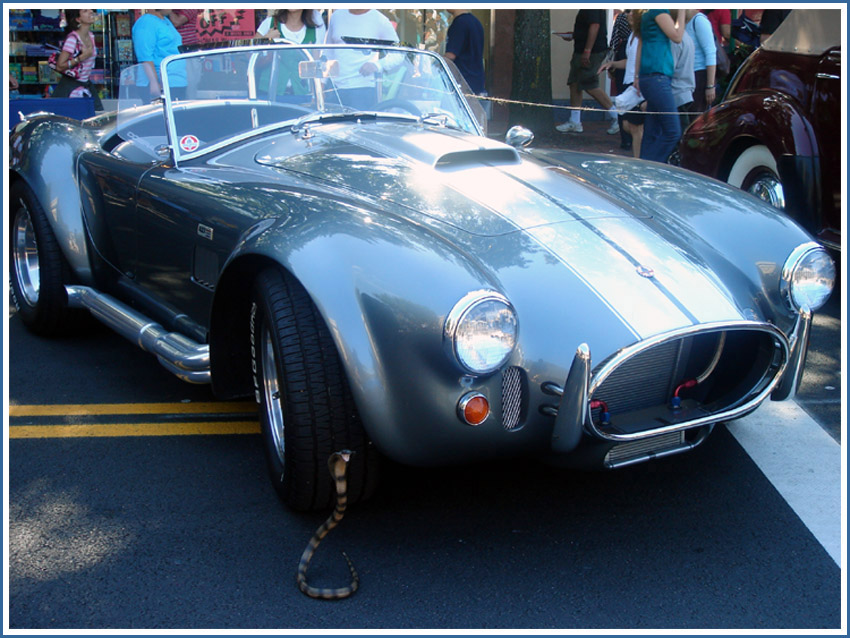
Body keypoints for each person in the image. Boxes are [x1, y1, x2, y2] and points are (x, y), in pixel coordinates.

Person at [555, 9, 619, 135]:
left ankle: (617, 116)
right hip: (582, 50)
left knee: (589, 84)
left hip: (591, 52)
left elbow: (595, 25)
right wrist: (575, 35)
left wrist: (587, 50)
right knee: (574, 83)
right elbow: (590, 26)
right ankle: (575, 121)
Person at [634, 8, 685, 163]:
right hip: (658, 76)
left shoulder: (646, 12)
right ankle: (653, 166)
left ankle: (645, 166)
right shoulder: (658, 11)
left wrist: (637, 76)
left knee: (652, 131)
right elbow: (677, 37)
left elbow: (641, 44)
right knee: (672, 131)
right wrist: (682, 10)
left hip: (649, 77)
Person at [324, 9, 399, 110]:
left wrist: (377, 65)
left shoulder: (380, 20)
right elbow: (328, 52)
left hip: (363, 90)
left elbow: (399, 54)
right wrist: (322, 83)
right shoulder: (336, 16)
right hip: (333, 89)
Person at [599, 10, 644, 158]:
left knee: (635, 127)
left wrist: (638, 78)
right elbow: (629, 62)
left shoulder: (642, 36)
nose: (627, 15)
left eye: (631, 12)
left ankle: (638, 161)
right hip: (628, 83)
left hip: (636, 85)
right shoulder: (632, 35)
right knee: (626, 125)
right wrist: (612, 64)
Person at [131, 9, 186, 102]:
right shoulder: (146, 23)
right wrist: (154, 83)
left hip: (175, 81)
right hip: (161, 83)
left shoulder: (165, 20)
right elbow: (145, 56)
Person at [51, 9, 102, 110]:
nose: (91, 12)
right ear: (78, 19)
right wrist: (81, 57)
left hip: (86, 84)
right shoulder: (73, 39)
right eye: (85, 11)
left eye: (91, 10)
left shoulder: (91, 36)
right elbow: (60, 66)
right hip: (72, 87)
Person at [685, 9, 717, 114]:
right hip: (685, 76)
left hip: (699, 74)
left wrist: (710, 86)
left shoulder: (699, 20)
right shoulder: (679, 22)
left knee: (696, 115)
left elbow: (710, 52)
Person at [670, 30, 695, 133]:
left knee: (677, 134)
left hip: (677, 93)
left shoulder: (675, 41)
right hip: (684, 91)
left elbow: (669, 69)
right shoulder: (686, 37)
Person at [255, 9, 326, 44]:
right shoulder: (269, 22)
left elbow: (317, 61)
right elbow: (251, 52)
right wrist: (267, 38)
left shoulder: (316, 26)